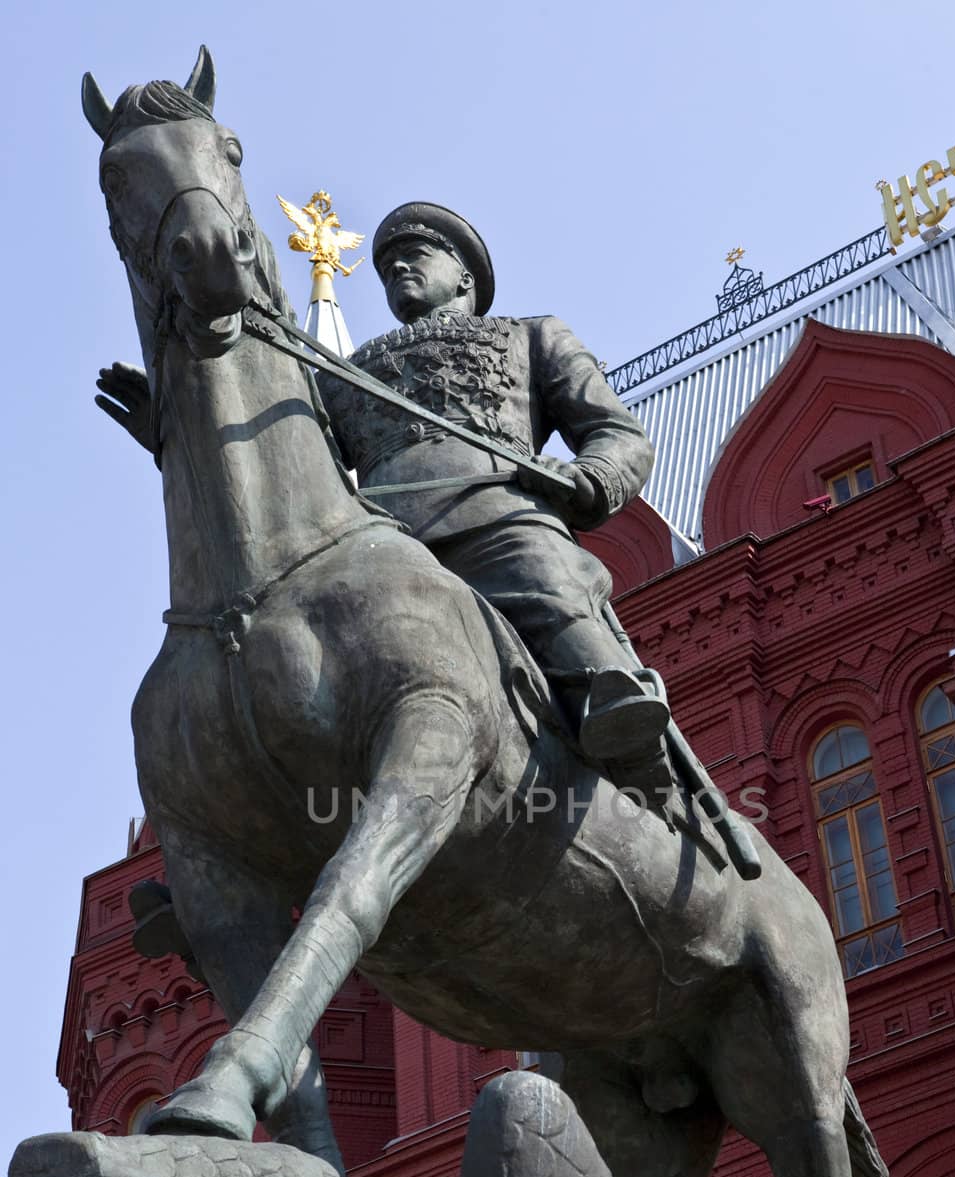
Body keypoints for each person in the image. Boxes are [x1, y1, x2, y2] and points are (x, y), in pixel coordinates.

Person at [97, 201, 669, 768]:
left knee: (540, 574)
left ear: (463, 275)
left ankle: (610, 693)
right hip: (383, 543)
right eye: (387, 264)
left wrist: (592, 477)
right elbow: (289, 469)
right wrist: (175, 438)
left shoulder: (529, 336)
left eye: (414, 254)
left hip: (495, 518)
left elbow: (620, 436)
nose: (397, 269)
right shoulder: (349, 374)